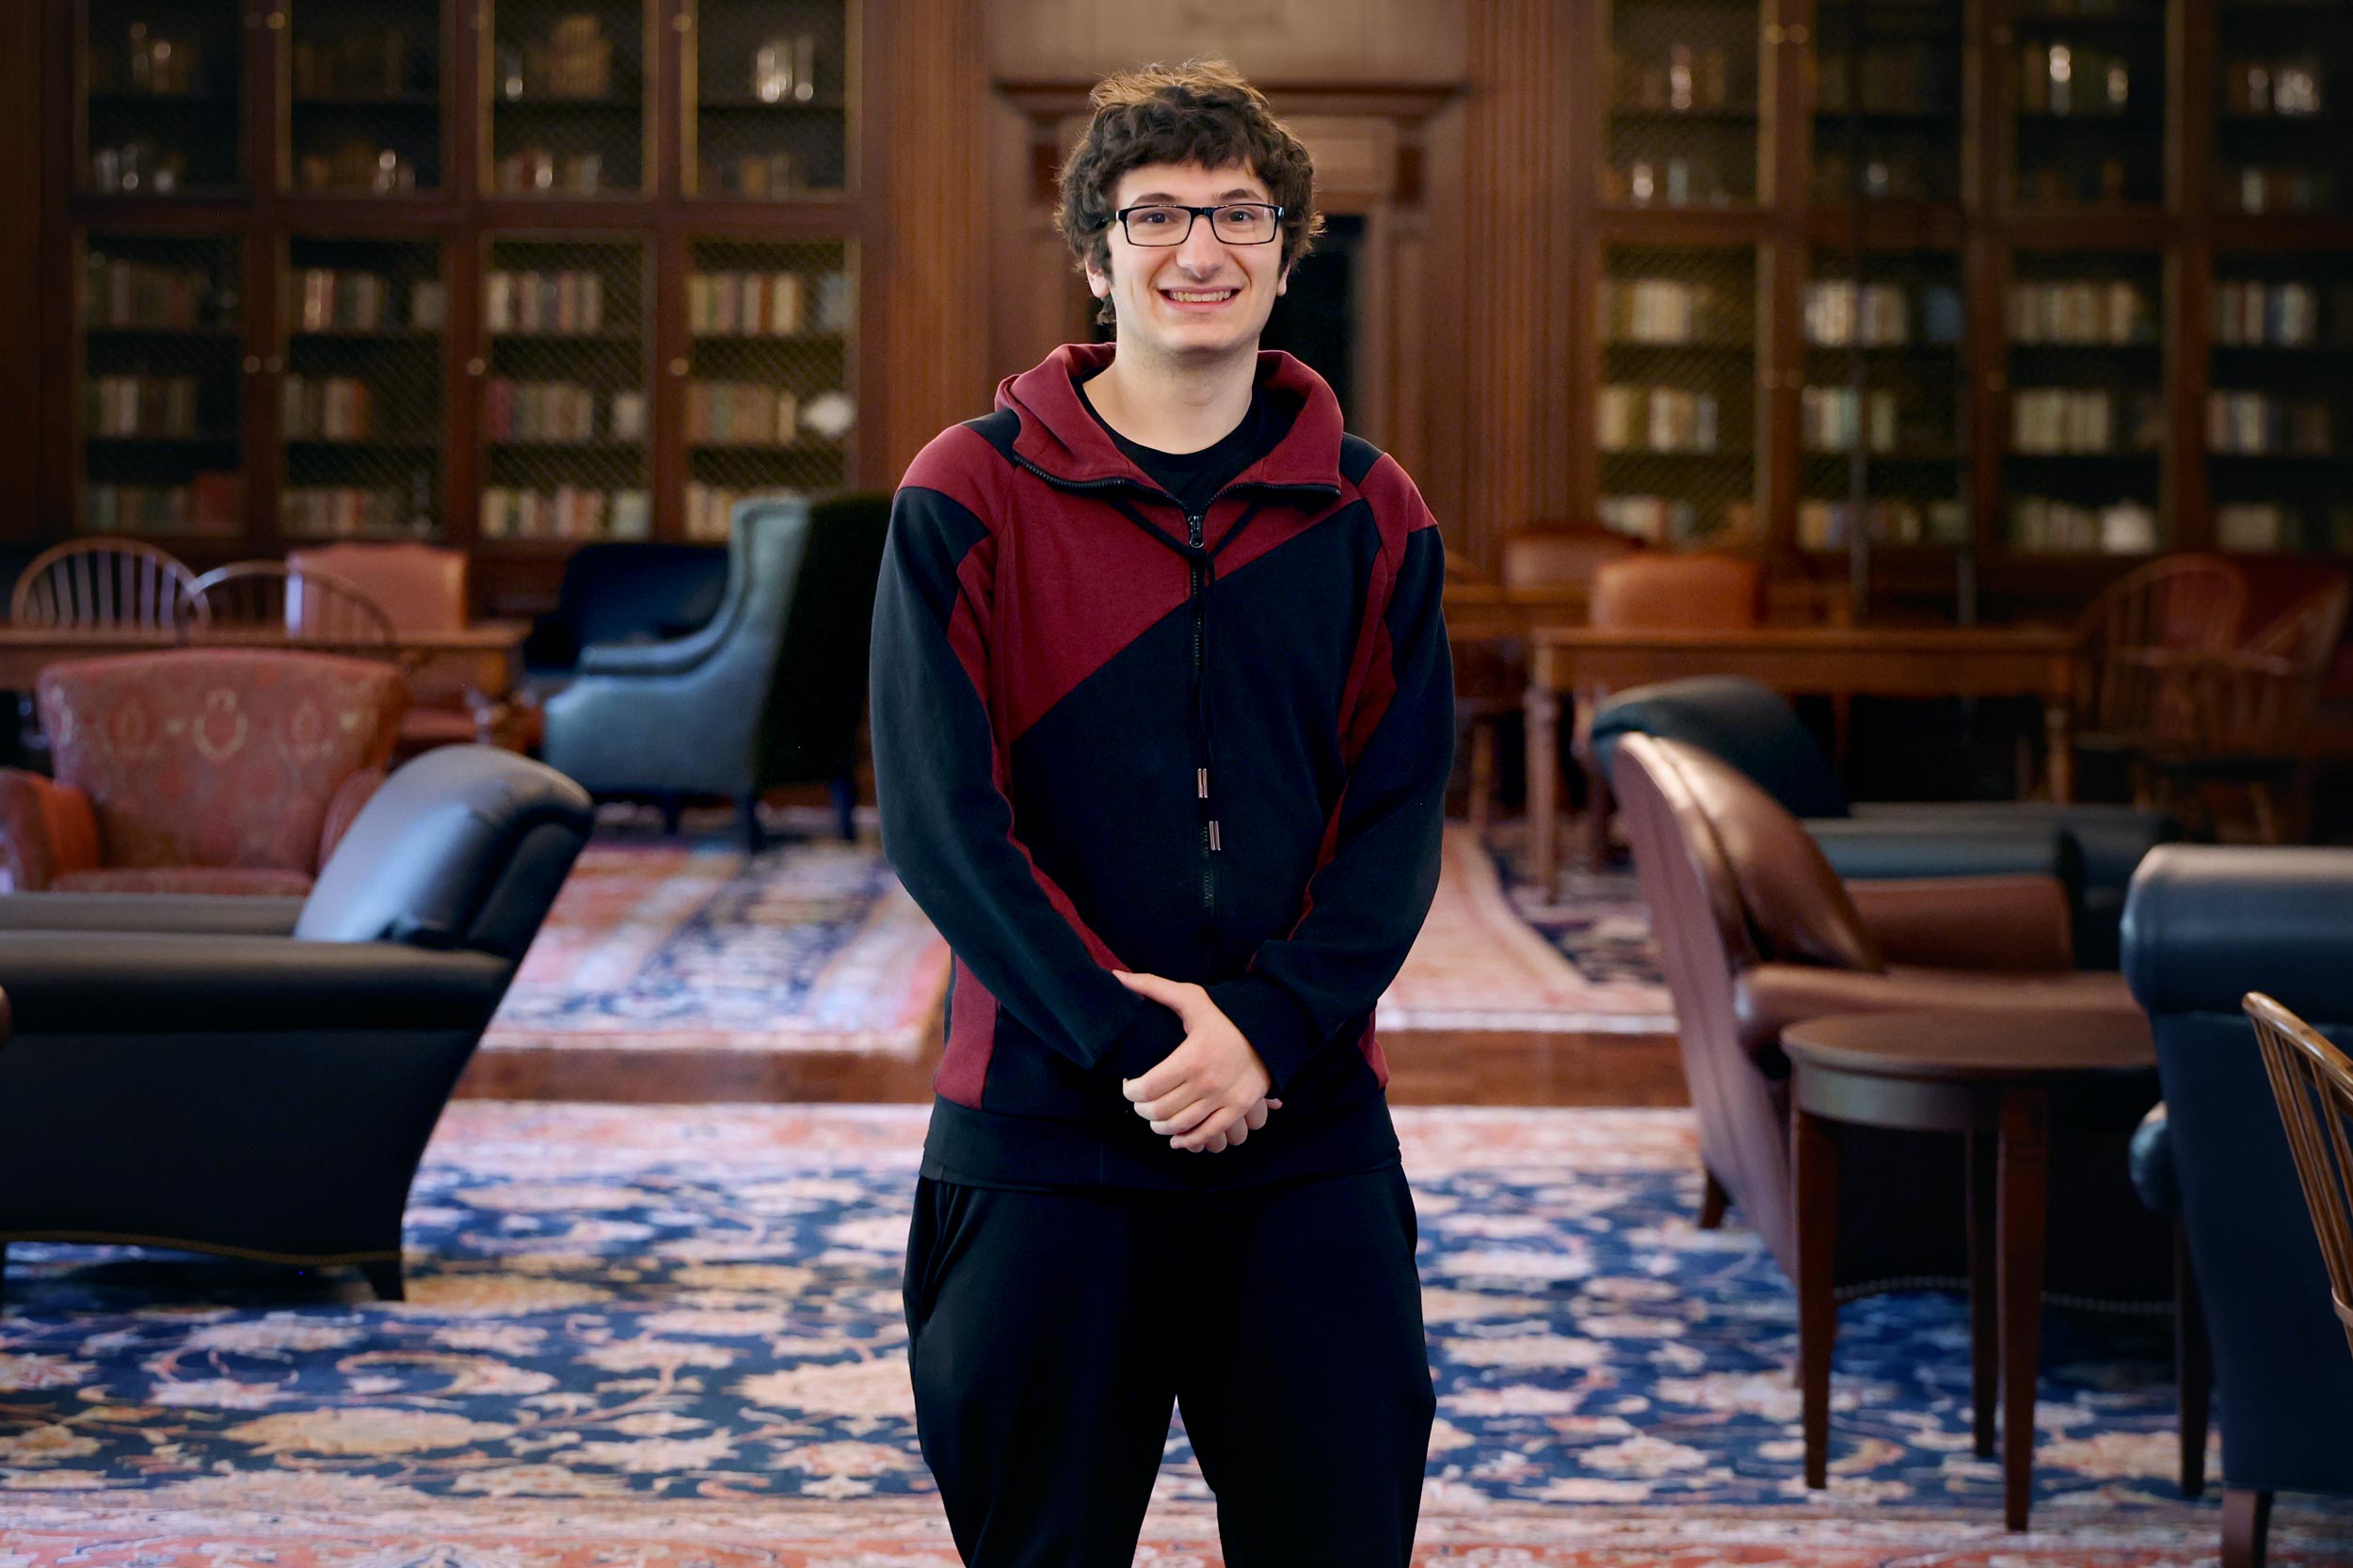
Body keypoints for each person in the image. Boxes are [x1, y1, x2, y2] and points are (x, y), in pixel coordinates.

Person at [869, 56, 1452, 1568]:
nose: (1201, 248)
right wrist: (1145, 1048)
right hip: (1046, 1128)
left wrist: (1263, 1033)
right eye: (1157, 214)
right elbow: (944, 823)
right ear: (1094, 253)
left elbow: (1396, 824)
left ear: (1287, 249)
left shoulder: (1376, 510)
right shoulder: (968, 492)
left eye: (1240, 214)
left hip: (1305, 1119)